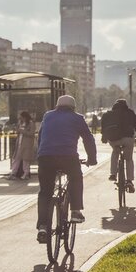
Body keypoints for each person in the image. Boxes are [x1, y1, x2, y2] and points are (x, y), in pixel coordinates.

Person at [35, 95, 97, 243]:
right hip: (68, 157)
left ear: (57, 106)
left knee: (45, 192)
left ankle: (43, 226)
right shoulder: (77, 118)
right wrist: (92, 159)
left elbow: (40, 136)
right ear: (73, 107)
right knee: (76, 178)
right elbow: (88, 139)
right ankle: (75, 211)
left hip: (45, 158)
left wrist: (41, 154)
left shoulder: (48, 116)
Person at [100, 98, 136, 192]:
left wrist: (104, 138)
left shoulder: (108, 114)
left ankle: (113, 174)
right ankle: (129, 181)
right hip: (128, 139)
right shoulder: (130, 113)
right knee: (128, 159)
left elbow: (103, 127)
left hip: (113, 139)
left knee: (115, 152)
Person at [8, 110, 36, 180]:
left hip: (26, 145)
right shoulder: (20, 123)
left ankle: (26, 174)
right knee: (16, 159)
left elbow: (31, 133)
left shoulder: (31, 124)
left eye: (22, 118)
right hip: (19, 144)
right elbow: (19, 132)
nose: (21, 119)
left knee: (25, 160)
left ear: (25, 117)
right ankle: (13, 173)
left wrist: (22, 131)